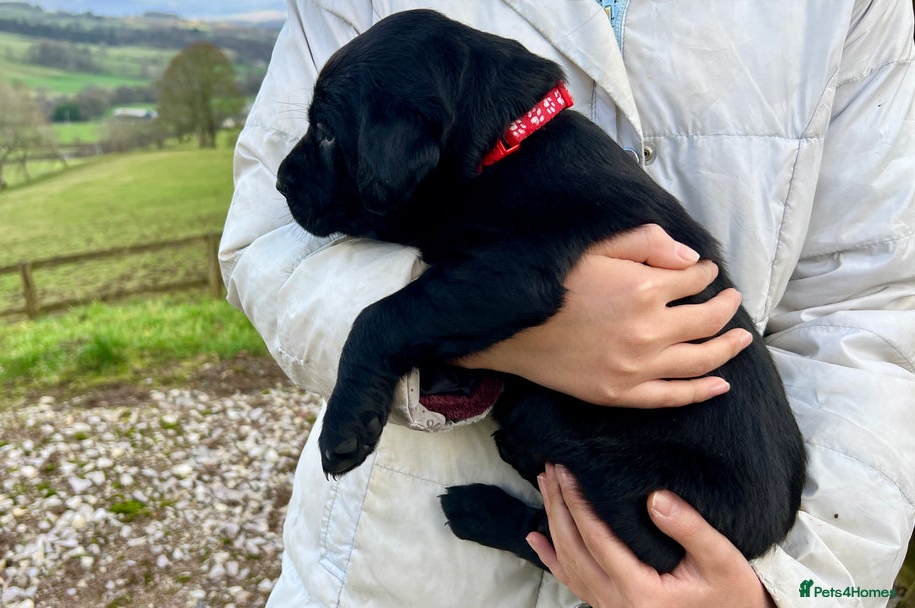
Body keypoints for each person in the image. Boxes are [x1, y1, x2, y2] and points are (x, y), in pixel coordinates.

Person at [219, 1, 915, 606]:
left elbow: (872, 305)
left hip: (711, 498)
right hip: (392, 579)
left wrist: (791, 594)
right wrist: (516, 336)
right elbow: (265, 248)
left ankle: (539, 534)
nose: (300, 167)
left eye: (330, 136)